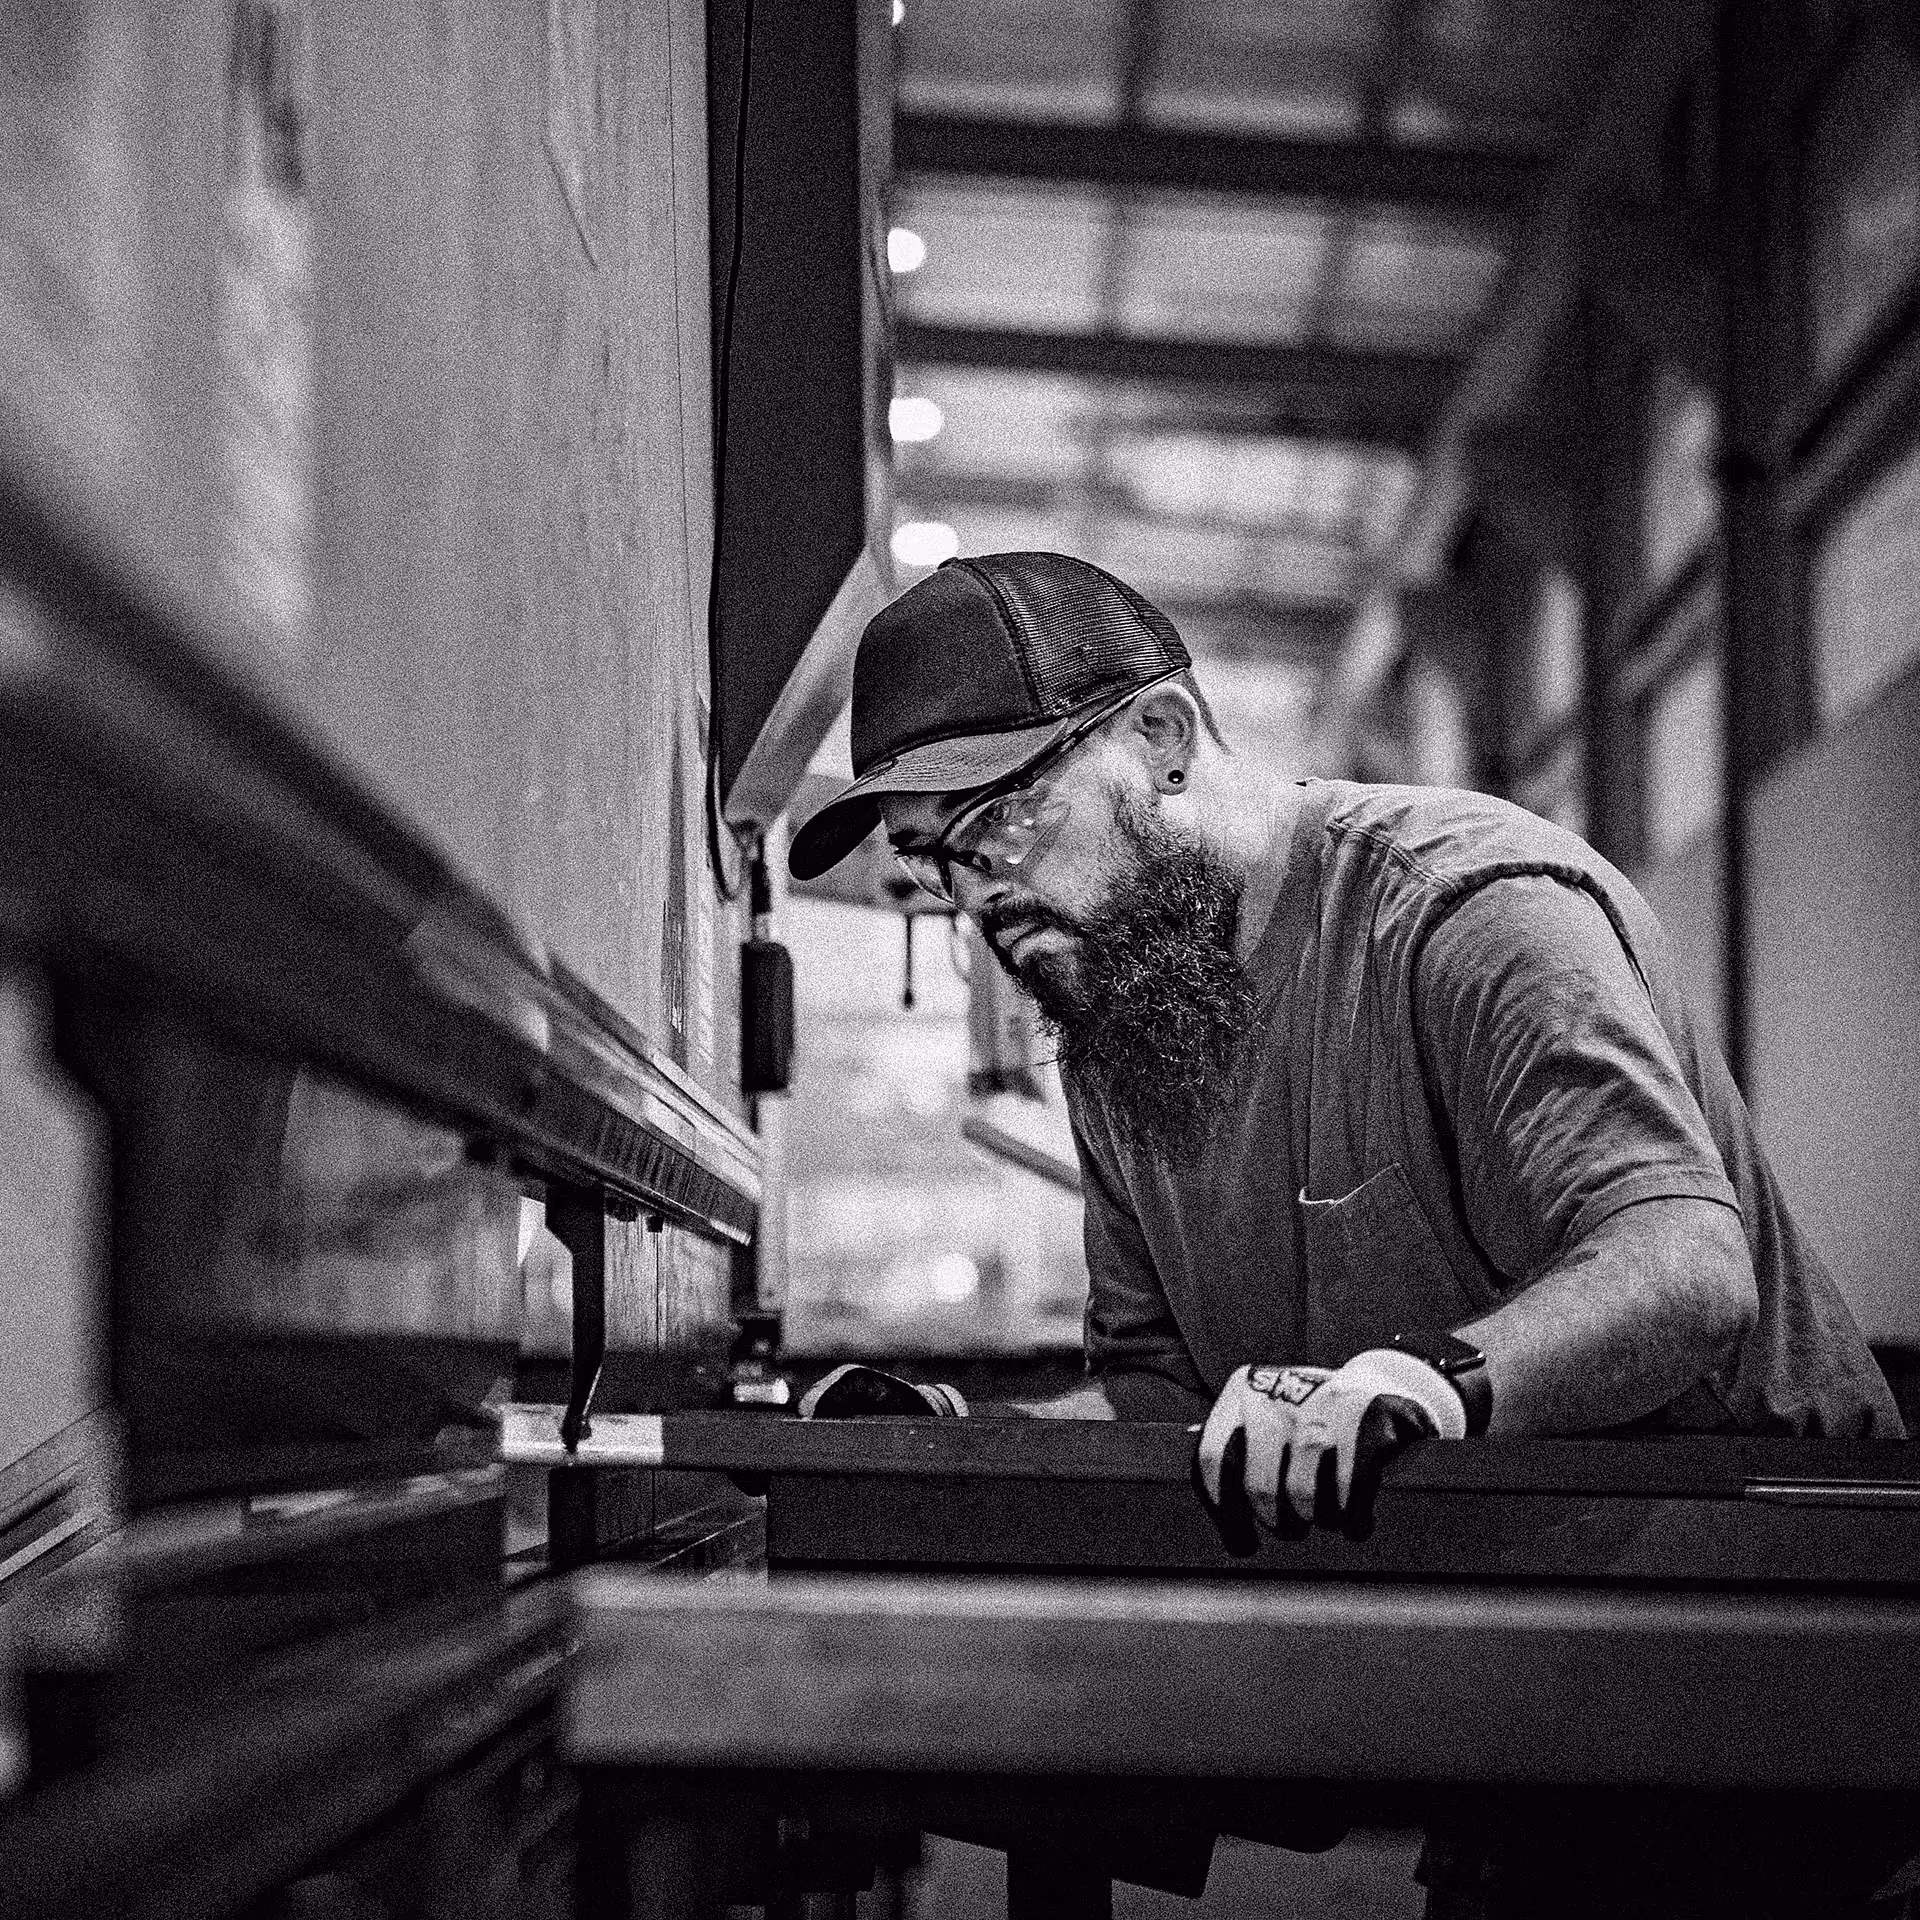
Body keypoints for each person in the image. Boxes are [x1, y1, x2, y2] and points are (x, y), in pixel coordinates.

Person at [787, 550, 1911, 1915]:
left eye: (999, 827)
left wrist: (1423, 1383)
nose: (976, 900)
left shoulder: (1465, 910)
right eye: (936, 862)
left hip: (1771, 1661)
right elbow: (1169, 1395)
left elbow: (1682, 1265)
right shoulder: (1122, 1029)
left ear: (1162, 738)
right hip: (1524, 1681)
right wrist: (961, 1444)